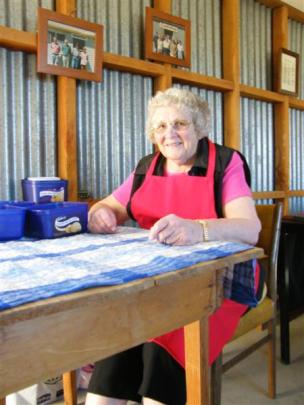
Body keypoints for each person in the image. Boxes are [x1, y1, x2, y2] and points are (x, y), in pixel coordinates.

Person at [85, 88, 261, 405]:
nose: (170, 135)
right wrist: (101, 214)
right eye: (161, 127)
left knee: (161, 342)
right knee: (119, 335)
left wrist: (198, 229)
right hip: (153, 280)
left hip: (220, 280)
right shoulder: (146, 166)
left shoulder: (225, 161)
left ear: (199, 127)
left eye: (180, 123)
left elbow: (250, 229)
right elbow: (107, 206)